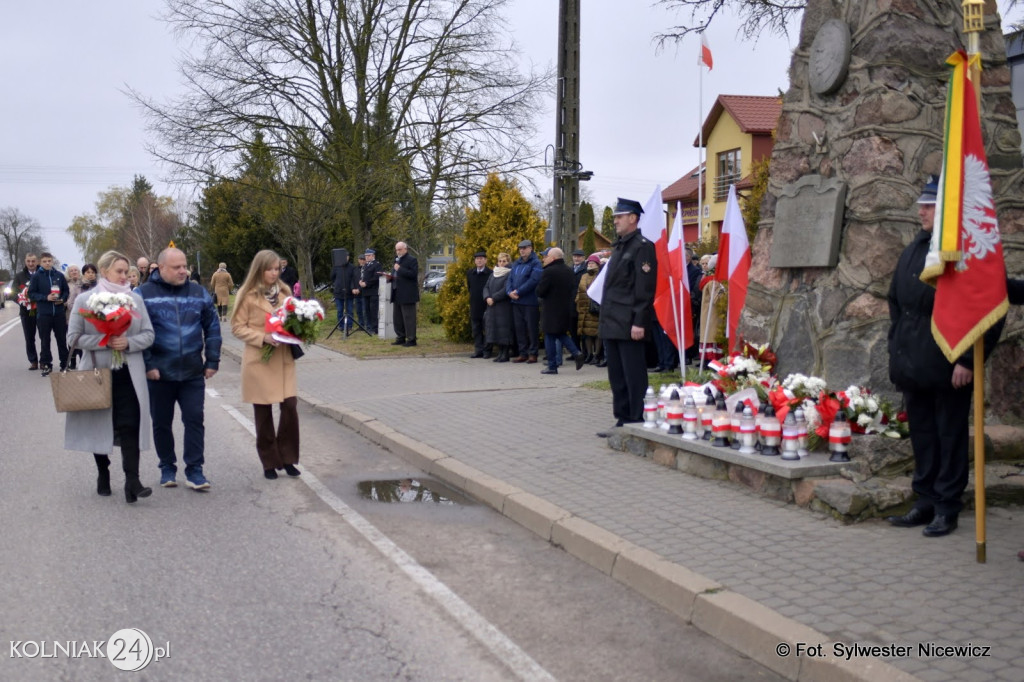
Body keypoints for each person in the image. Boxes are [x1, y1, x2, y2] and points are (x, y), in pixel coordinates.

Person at [885, 178, 1004, 538]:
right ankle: (924, 500)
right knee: (922, 435)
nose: (920, 210)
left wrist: (967, 359)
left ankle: (947, 506)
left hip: (949, 364)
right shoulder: (914, 249)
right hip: (913, 363)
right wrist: (898, 345)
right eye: (921, 204)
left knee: (949, 437)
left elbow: (987, 309)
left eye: (929, 205)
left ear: (947, 212)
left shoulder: (963, 252)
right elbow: (897, 303)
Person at [65, 250, 156, 503]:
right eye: (120, 271)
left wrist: (127, 342)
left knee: (130, 424)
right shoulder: (85, 300)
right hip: (97, 372)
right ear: (104, 271)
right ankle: (103, 472)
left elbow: (148, 335)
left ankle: (132, 481)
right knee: (100, 425)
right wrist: (105, 341)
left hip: (129, 373)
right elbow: (72, 339)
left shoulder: (134, 300)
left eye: (127, 272)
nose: (125, 276)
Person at [139, 247, 221, 491]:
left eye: (185, 266)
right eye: (177, 267)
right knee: (162, 423)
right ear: (161, 268)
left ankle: (195, 470)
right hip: (159, 373)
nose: (183, 271)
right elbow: (136, 332)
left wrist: (212, 361)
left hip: (192, 372)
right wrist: (148, 364)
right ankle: (167, 467)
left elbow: (213, 327)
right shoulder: (143, 294)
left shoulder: (198, 293)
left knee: (195, 420)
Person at [230, 250, 301, 479]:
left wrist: (297, 330)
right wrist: (262, 338)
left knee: (290, 406)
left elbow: (293, 319)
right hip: (260, 360)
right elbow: (237, 327)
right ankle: (269, 461)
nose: (274, 273)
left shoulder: (285, 291)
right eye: (269, 269)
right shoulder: (247, 295)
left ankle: (288, 457)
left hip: (283, 359)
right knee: (263, 413)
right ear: (259, 270)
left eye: (277, 268)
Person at [597, 198, 657, 436]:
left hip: (630, 323)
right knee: (617, 375)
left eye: (619, 217)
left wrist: (639, 321)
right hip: (612, 320)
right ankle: (622, 419)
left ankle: (637, 419)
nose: (615, 221)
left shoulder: (642, 246)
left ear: (633, 218)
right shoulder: (620, 246)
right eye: (615, 217)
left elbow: (644, 289)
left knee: (633, 374)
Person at [536, 247, 585, 375]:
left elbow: (540, 291)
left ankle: (552, 366)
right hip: (565, 308)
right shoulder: (569, 271)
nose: (543, 259)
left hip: (551, 309)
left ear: (553, 258)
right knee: (560, 333)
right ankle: (577, 353)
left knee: (549, 335)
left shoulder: (549, 271)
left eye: (545, 256)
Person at [28, 252, 70, 376]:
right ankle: (47, 364)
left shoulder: (59, 275)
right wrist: (45, 297)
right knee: (45, 340)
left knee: (61, 339)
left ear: (52, 262)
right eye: (45, 261)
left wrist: (62, 299)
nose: (47, 263)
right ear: (40, 263)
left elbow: (66, 291)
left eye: (49, 261)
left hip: (58, 313)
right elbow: (31, 294)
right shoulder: (36, 277)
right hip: (44, 314)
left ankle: (64, 364)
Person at [507, 239, 543, 363]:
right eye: (520, 248)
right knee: (519, 328)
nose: (522, 250)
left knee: (531, 329)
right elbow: (510, 279)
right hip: (516, 302)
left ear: (531, 248)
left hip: (530, 301)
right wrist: (509, 292)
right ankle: (523, 353)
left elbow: (533, 281)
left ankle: (533, 353)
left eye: (525, 248)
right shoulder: (516, 263)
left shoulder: (536, 263)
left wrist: (518, 292)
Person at [483, 252, 514, 363]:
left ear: (508, 262)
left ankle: (505, 354)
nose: (501, 263)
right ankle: (500, 353)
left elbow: (506, 289)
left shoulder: (509, 273)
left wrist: (493, 298)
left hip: (503, 307)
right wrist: (487, 297)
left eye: (504, 261)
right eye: (500, 261)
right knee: (495, 330)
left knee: (504, 331)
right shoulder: (493, 273)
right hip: (492, 307)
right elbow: (486, 287)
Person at [389, 241, 419, 347]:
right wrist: (390, 277)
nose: (398, 251)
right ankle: (400, 337)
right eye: (396, 249)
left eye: (400, 249)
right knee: (397, 317)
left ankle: (411, 339)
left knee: (408, 317)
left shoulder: (412, 260)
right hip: (396, 291)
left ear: (405, 249)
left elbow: (413, 274)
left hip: (407, 294)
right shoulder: (397, 260)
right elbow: (395, 273)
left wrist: (400, 269)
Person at [13, 253, 40, 370]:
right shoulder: (19, 276)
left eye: (33, 261)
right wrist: (21, 300)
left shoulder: (42, 273)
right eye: (28, 261)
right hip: (26, 311)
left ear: (37, 262)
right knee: (29, 337)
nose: (31, 264)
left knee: (44, 336)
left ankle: (44, 360)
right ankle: (33, 361)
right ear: (25, 262)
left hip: (41, 310)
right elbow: (13, 292)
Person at [577, 254, 603, 365]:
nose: (590, 264)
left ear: (597, 264)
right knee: (586, 333)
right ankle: (589, 354)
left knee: (596, 333)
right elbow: (580, 290)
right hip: (584, 308)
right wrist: (577, 300)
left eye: (593, 263)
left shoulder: (600, 276)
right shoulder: (584, 276)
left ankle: (597, 355)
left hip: (595, 309)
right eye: (589, 263)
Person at [466, 251, 493, 358]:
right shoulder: (470, 273)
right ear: (475, 261)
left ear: (485, 260)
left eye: (482, 258)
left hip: (486, 305)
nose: (479, 260)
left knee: (487, 329)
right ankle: (478, 350)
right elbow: (469, 288)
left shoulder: (490, 273)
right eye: (477, 259)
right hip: (475, 305)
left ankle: (487, 351)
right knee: (476, 329)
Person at [330, 251, 360, 331]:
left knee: (349, 310)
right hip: (338, 292)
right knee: (340, 310)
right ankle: (341, 325)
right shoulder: (336, 266)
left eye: (347, 256)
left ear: (348, 257)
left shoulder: (352, 267)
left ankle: (349, 325)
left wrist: (353, 288)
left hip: (349, 292)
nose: (345, 258)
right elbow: (332, 277)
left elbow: (354, 279)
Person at [360, 248, 382, 334]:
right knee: (367, 310)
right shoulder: (365, 265)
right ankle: (368, 327)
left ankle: (375, 328)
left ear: (373, 256)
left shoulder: (377, 265)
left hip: (373, 291)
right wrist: (361, 281)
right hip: (365, 291)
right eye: (366, 256)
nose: (367, 257)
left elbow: (376, 277)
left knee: (373, 310)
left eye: (368, 256)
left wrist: (367, 283)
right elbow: (363, 276)